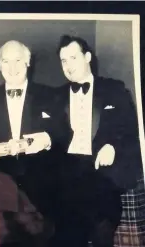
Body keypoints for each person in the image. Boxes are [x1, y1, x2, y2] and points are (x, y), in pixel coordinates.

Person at [51, 35, 143, 247]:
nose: (68, 66)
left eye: (73, 58)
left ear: (88, 57)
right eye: (63, 61)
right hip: (69, 175)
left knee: (101, 231)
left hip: (102, 174)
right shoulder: (56, 96)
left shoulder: (114, 89)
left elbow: (131, 129)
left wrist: (112, 146)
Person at [0, 40, 69, 247]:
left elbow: (64, 132)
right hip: (3, 188)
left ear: (28, 62)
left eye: (18, 60)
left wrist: (46, 139)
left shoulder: (51, 95)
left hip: (43, 188)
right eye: (6, 61)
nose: (12, 67)